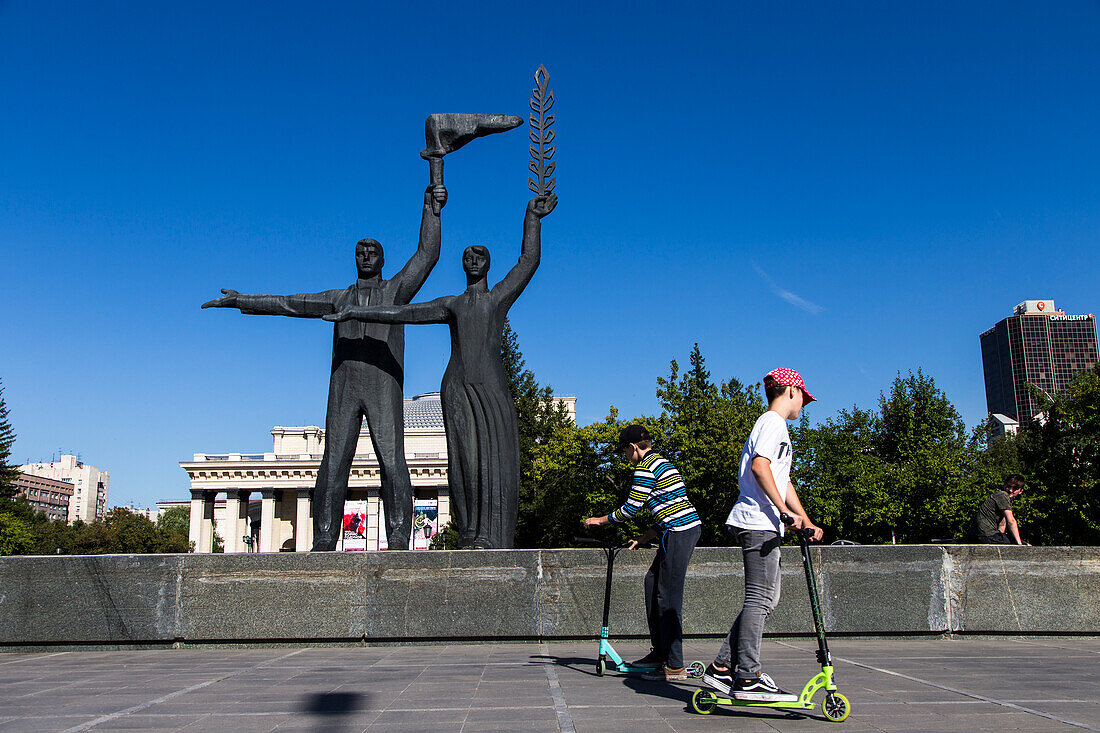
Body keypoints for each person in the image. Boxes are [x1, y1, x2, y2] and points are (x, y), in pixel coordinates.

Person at [203, 183, 448, 551]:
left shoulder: (394, 292)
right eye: (360, 251)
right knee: (333, 462)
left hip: (383, 385)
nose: (366, 256)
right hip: (344, 387)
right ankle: (324, 537)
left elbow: (427, 255)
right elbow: (289, 303)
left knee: (392, 460)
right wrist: (243, 301)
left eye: (373, 251)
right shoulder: (338, 298)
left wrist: (431, 208)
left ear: (382, 260)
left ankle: (399, 535)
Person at [325, 193, 556, 549]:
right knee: (463, 463)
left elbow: (528, 261)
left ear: (489, 265)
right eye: (467, 256)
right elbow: (404, 313)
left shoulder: (497, 299)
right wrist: (357, 312)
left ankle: (490, 535)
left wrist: (532, 219)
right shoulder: (451, 304)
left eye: (479, 256)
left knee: (492, 462)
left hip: (490, 388)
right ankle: (469, 534)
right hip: (457, 388)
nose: (473, 260)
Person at [702, 368, 824, 702]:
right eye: (803, 399)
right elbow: (760, 467)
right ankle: (748, 675)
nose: (804, 406)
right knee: (760, 597)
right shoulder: (773, 423)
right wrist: (783, 512)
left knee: (766, 598)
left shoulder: (774, 427)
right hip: (758, 522)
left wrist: (803, 518)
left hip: (765, 521)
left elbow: (782, 480)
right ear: (790, 392)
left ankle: (723, 666)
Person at [582, 424, 702, 682]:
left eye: (624, 451)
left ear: (632, 447)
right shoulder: (661, 462)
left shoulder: (646, 466)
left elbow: (631, 509)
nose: (624, 456)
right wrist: (643, 538)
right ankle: (660, 653)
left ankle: (674, 665)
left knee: (668, 597)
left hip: (680, 531)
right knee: (652, 584)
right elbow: (668, 507)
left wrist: (600, 520)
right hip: (676, 529)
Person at [972, 474, 1026, 544]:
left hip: (988, 535)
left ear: (1021, 491)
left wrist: (1001, 537)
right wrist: (1019, 544)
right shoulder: (1002, 495)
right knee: (1022, 544)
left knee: (1013, 541)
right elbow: (1011, 521)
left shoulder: (1006, 499)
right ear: (1004, 485)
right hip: (986, 535)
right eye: (1008, 486)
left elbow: (1003, 523)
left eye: (1015, 489)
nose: (1010, 490)